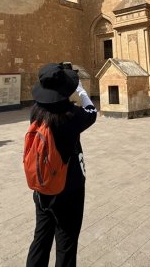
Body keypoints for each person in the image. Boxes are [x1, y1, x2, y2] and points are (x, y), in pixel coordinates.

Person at [26, 62, 98, 267]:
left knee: (40, 240)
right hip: (69, 190)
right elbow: (92, 112)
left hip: (42, 188)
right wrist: (82, 92)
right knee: (66, 245)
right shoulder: (71, 116)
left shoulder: (36, 112)